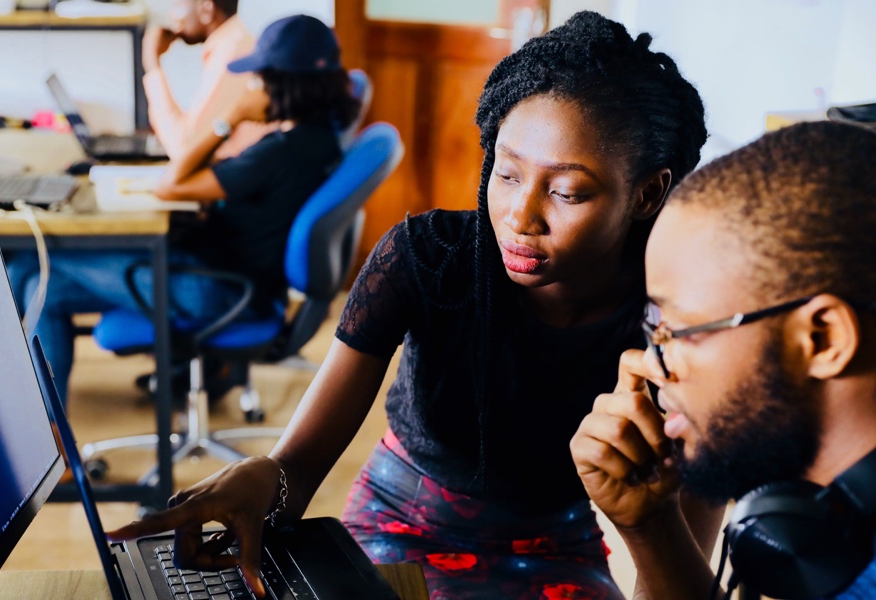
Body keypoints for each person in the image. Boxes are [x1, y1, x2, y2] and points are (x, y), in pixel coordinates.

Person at [107, 12, 710, 599]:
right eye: (505, 175)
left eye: (567, 191)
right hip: (399, 518)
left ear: (648, 192)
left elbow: (684, 581)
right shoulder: (427, 260)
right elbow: (297, 467)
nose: (520, 219)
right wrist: (268, 478)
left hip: (556, 543)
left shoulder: (683, 332)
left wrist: (647, 522)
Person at [571, 122, 876, 599]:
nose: (649, 363)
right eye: (654, 327)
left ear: (822, 339)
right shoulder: (825, 526)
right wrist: (652, 526)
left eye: (679, 330)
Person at [9, 15, 360, 403]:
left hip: (216, 289)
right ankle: (54, 433)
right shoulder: (320, 140)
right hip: (234, 279)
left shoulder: (279, 153)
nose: (250, 85)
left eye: (258, 77)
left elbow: (171, 183)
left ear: (283, 83)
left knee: (30, 265)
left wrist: (229, 118)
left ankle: (37, 425)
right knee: (44, 287)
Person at [143, 0, 270, 159]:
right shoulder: (232, 45)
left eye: (177, 4)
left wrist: (152, 63)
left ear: (206, 9)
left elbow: (184, 149)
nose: (171, 15)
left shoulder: (231, 55)